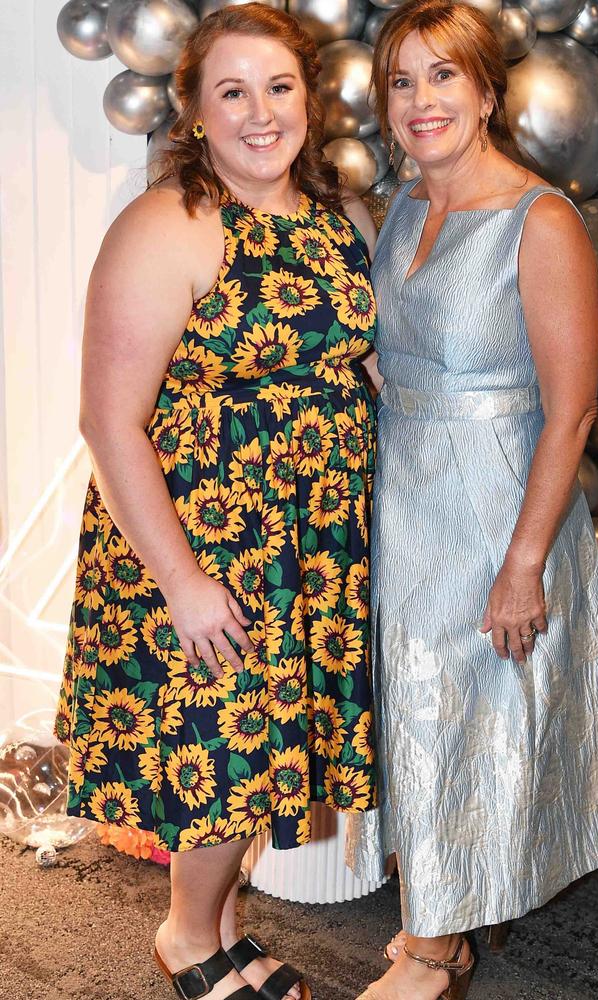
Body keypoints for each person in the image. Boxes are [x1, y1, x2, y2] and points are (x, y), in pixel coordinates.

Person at [53, 5, 379, 999]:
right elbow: (109, 423)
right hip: (199, 542)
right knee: (227, 765)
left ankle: (223, 928)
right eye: (230, 91)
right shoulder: (168, 224)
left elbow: (353, 365)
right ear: (195, 110)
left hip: (305, 546)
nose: (258, 112)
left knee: (271, 760)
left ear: (308, 100)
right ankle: (187, 935)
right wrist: (184, 582)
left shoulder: (337, 219)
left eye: (277, 86)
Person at [347, 2, 598, 998]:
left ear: (486, 91)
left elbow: (570, 405)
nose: (421, 101)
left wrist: (520, 564)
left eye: (443, 77)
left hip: (498, 499)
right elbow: (397, 353)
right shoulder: (405, 205)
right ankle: (444, 915)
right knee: (417, 704)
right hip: (404, 486)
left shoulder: (536, 219)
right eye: (402, 81)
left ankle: (433, 941)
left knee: (465, 707)